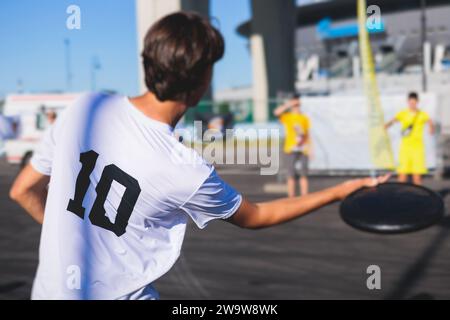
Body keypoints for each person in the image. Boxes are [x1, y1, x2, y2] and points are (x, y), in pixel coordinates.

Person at [9, 12, 388, 300]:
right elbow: (256, 216)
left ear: (147, 63)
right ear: (200, 85)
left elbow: (23, 191)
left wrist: (73, 239)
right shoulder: (184, 169)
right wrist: (339, 191)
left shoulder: (84, 108)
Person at [385, 92, 434, 185]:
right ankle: (400, 197)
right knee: (402, 175)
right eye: (411, 103)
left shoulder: (422, 114)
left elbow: (430, 122)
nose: (412, 105)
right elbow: (393, 121)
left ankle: (418, 197)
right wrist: (386, 126)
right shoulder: (403, 113)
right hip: (405, 148)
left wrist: (431, 128)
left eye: (414, 103)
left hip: (417, 149)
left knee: (417, 177)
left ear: (417, 102)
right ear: (408, 102)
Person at [273, 94, 311, 197]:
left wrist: (310, 149)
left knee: (304, 175)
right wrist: (289, 104)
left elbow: (307, 134)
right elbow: (276, 112)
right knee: (291, 175)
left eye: (298, 104)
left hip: (303, 149)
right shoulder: (287, 116)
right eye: (295, 104)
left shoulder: (304, 117)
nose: (296, 106)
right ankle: (291, 199)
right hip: (290, 149)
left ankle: (304, 198)